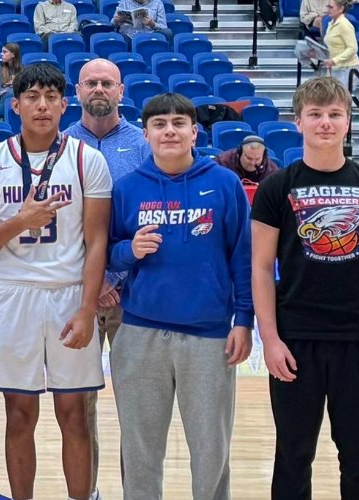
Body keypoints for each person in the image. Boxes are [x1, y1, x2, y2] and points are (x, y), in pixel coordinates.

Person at [0, 63, 112, 500]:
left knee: (74, 414)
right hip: (14, 294)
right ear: (16, 105)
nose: (42, 105)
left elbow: (96, 242)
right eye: (32, 97)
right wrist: (21, 221)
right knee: (19, 414)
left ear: (65, 104)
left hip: (69, 293)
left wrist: (87, 311)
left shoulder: (88, 160)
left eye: (50, 97)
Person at [253, 76, 359, 499]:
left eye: (334, 114)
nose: (325, 123)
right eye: (315, 115)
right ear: (298, 122)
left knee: (358, 456)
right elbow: (262, 268)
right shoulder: (274, 188)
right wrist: (270, 339)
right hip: (295, 338)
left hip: (358, 340)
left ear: (348, 122)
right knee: (293, 455)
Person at [108, 92, 253, 500]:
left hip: (208, 336)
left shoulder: (224, 183)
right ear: (147, 133)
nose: (168, 131)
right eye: (159, 124)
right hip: (139, 332)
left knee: (211, 450)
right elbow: (107, 252)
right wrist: (127, 250)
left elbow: (243, 255)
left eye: (177, 123)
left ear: (194, 131)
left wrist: (244, 320)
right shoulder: (128, 187)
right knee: (140, 450)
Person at [59, 58, 148, 498]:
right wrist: (95, 283)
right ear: (77, 91)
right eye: (90, 82)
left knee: (137, 408)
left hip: (134, 292)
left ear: (121, 90)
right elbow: (60, 227)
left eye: (106, 83)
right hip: (79, 294)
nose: (98, 89)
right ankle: (86, 493)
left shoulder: (144, 145)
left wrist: (115, 275)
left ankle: (138, 492)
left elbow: (153, 216)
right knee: (78, 406)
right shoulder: (59, 146)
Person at [216, 135, 281, 183]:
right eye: (249, 158)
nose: (252, 163)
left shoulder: (272, 171)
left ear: (264, 156)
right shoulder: (222, 162)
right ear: (240, 152)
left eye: (257, 159)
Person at [322, 0, 358, 87]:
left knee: (341, 98)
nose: (328, 9)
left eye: (331, 7)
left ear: (341, 9)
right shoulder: (330, 24)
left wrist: (334, 60)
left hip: (347, 68)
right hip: (335, 67)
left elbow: (353, 48)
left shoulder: (344, 25)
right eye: (328, 7)